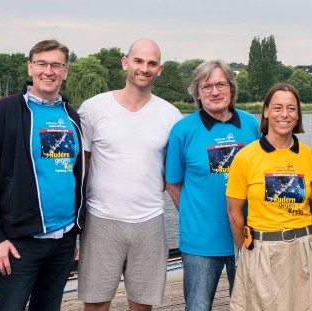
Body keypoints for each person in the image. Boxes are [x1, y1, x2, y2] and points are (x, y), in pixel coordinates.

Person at [0, 39, 85, 311]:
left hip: (64, 239)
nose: (49, 71)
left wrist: (76, 231)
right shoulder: (3, 110)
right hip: (19, 242)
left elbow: (76, 174)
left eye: (56, 65)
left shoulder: (71, 116)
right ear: (30, 68)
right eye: (42, 64)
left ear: (65, 71)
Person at [77, 39, 182, 311]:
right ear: (126, 63)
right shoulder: (93, 108)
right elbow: (81, 169)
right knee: (96, 303)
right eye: (138, 61)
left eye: (151, 63)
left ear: (160, 69)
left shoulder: (171, 116)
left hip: (149, 220)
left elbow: (174, 173)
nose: (144, 68)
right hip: (101, 219)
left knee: (142, 305)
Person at [165, 60, 260, 310]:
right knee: (198, 306)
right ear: (197, 92)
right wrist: (196, 216)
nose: (215, 92)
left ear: (231, 88)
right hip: (200, 242)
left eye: (221, 84)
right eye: (207, 86)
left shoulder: (251, 125)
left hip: (247, 237)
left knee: (248, 306)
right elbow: (173, 184)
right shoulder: (182, 131)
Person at [226, 83, 312, 311]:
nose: (284, 114)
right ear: (265, 111)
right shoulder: (245, 157)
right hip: (262, 250)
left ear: (298, 114)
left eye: (291, 108)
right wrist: (246, 249)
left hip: (302, 249)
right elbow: (234, 213)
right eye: (278, 107)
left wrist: (309, 240)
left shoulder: (310, 157)